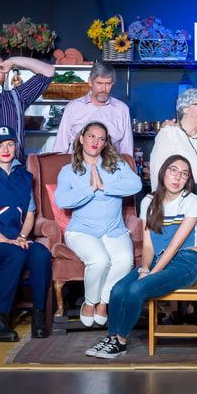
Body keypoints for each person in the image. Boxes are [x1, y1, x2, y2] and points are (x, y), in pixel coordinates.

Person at [86, 155, 197, 359]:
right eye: (173, 170)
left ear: (188, 180)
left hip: (185, 262)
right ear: (163, 172)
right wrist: (145, 268)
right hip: (156, 258)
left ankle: (121, 341)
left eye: (184, 174)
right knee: (118, 289)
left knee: (137, 289)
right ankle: (112, 336)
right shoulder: (149, 201)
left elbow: (174, 246)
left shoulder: (191, 201)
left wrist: (150, 275)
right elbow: (148, 245)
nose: (178, 177)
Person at [0, 125, 53, 342]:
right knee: (15, 254)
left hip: (18, 239)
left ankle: (39, 316)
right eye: (0, 145)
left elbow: (30, 213)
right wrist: (6, 240)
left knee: (42, 253)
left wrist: (22, 237)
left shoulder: (25, 176)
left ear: (16, 146)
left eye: (10, 144)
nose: (5, 149)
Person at [54, 121, 143, 328]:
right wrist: (90, 189)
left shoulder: (118, 165)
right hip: (82, 231)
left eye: (101, 138)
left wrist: (105, 186)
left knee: (125, 260)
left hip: (114, 229)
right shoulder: (68, 170)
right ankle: (89, 302)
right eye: (92, 136)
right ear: (82, 138)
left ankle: (103, 302)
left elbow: (136, 184)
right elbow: (62, 201)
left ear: (105, 144)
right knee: (99, 260)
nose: (96, 141)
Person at [51, 62, 134, 157]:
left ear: (113, 83)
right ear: (90, 82)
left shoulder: (122, 109)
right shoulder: (73, 107)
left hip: (112, 167)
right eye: (99, 83)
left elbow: (127, 149)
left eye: (108, 84)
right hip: (78, 167)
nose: (103, 89)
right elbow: (60, 146)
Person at [149, 88, 197, 193]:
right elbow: (157, 171)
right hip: (177, 196)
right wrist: (159, 202)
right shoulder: (169, 134)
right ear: (184, 108)